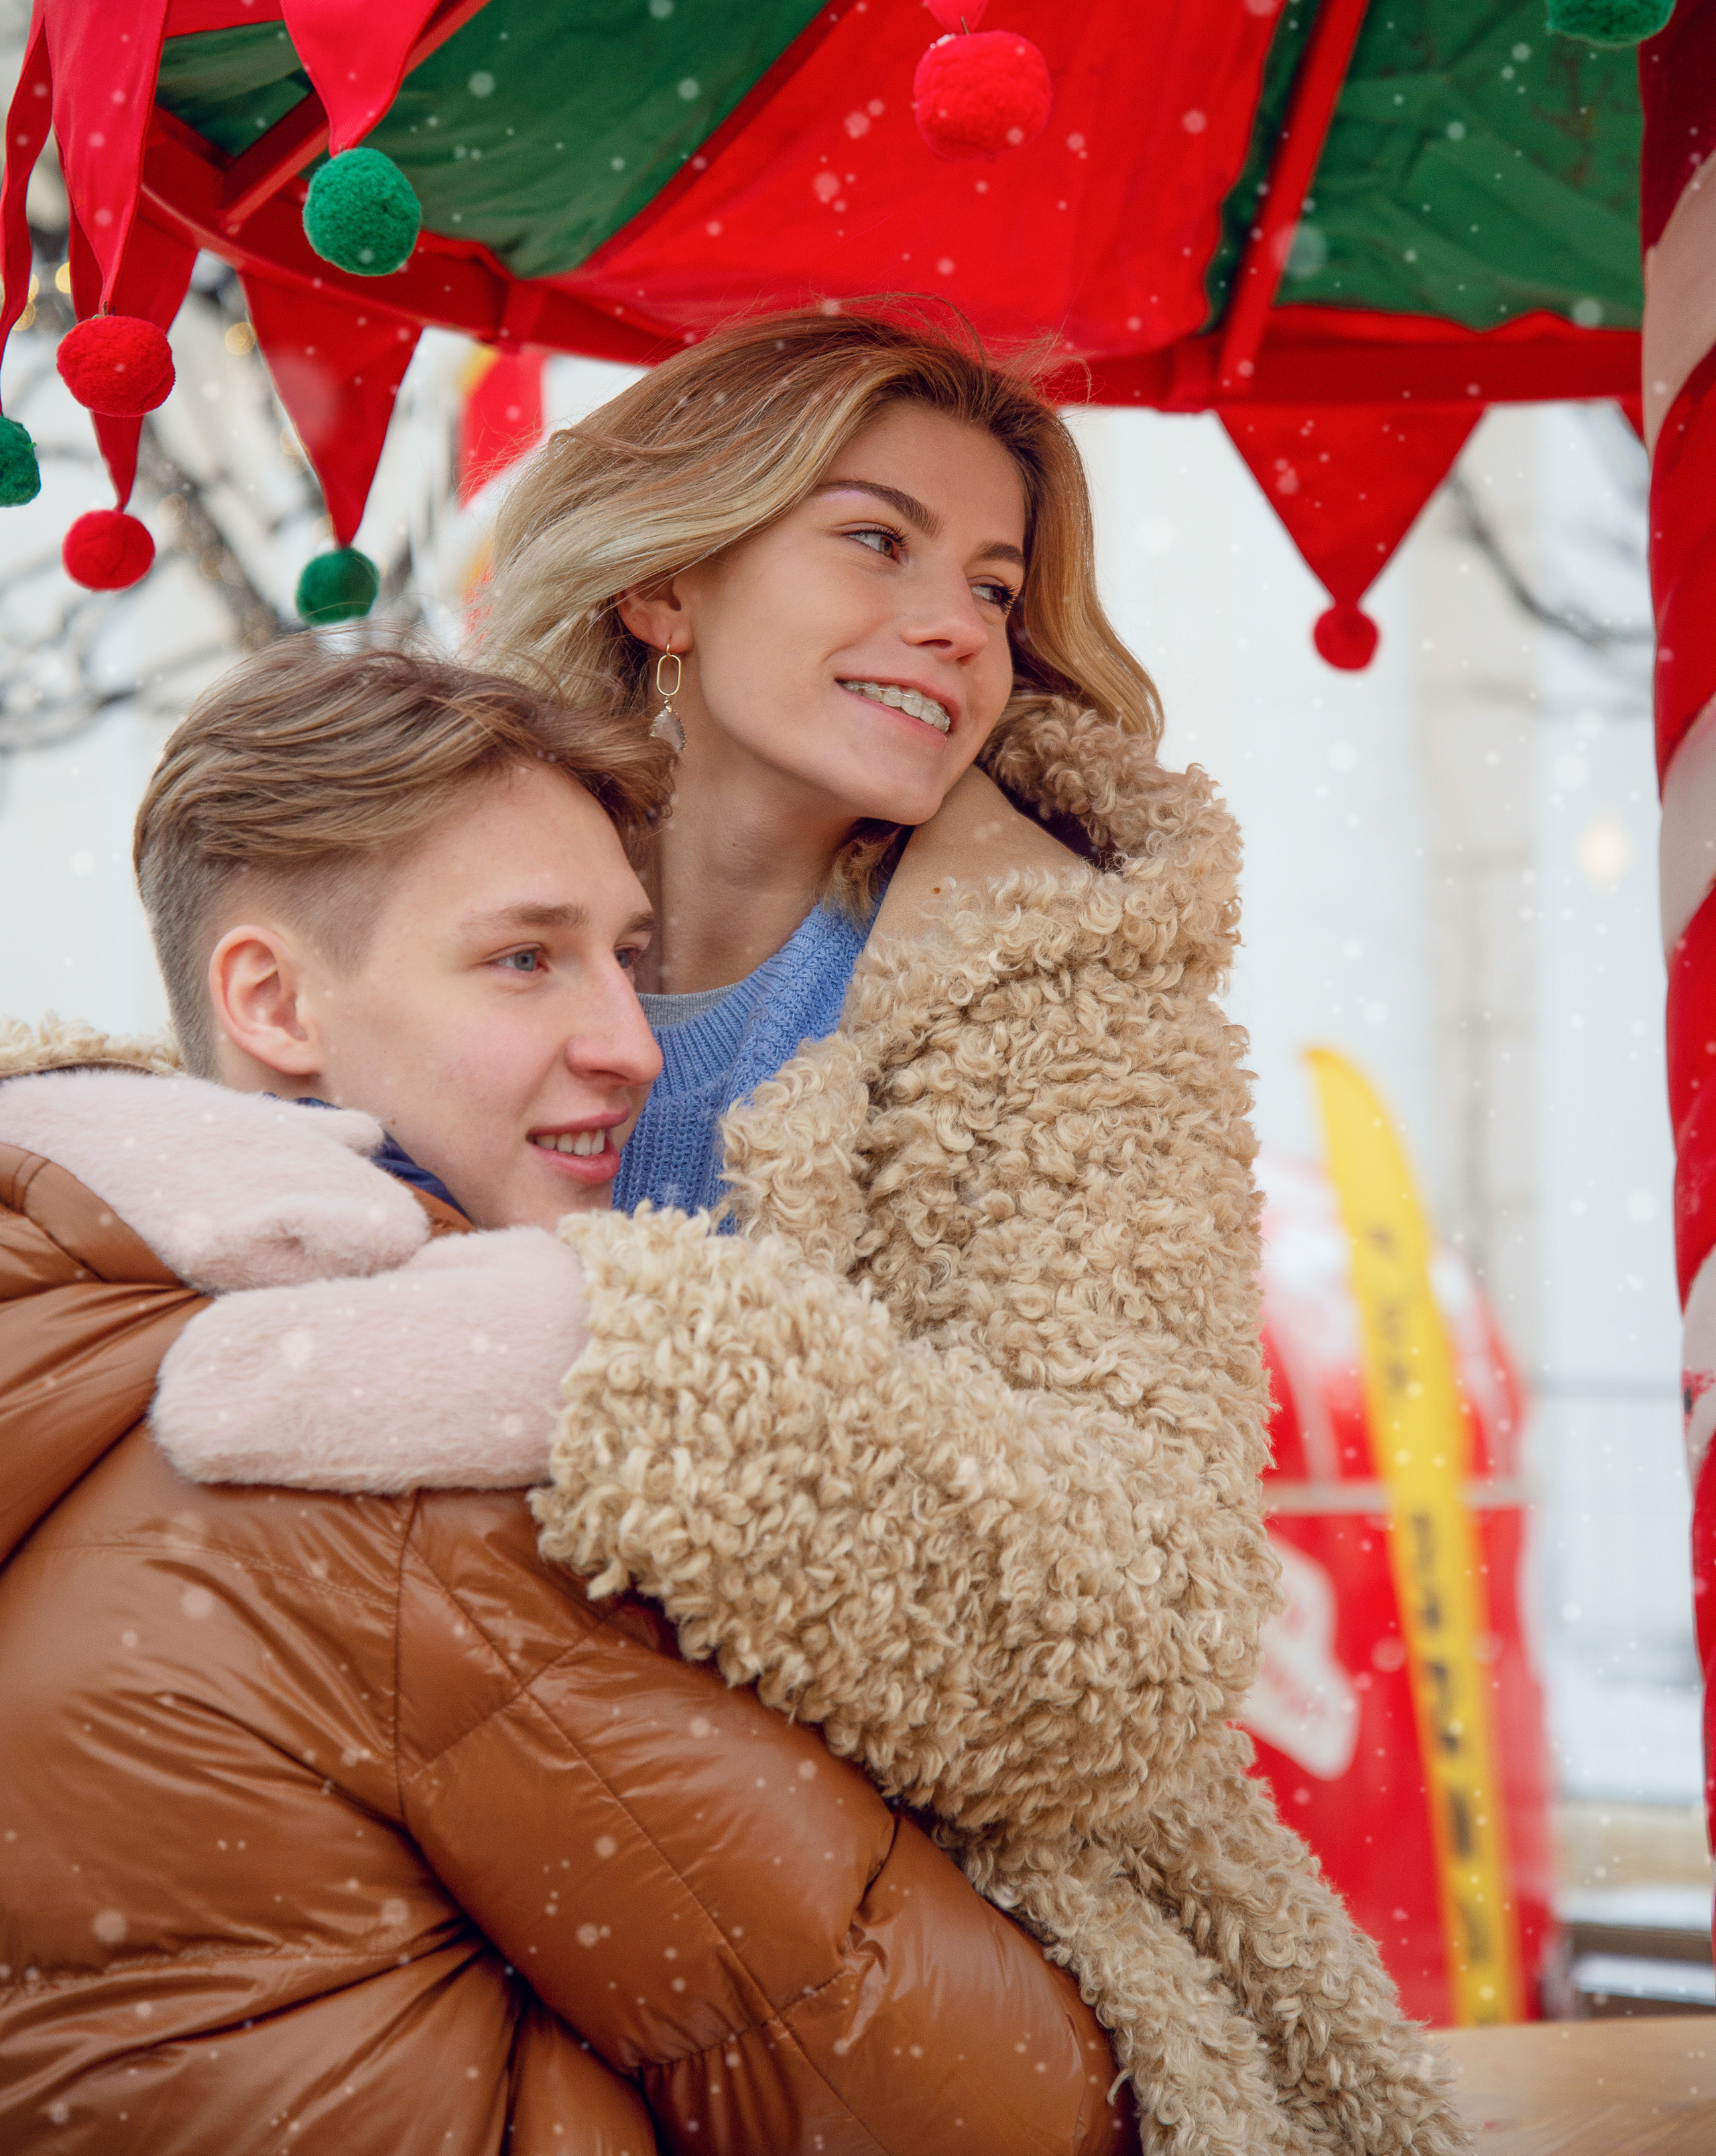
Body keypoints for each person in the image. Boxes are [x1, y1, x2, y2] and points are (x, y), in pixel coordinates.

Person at [159, 311, 1471, 2156]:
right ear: (667, 586)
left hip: (939, 1934)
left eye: (995, 586)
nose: (959, 626)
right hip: (466, 1877)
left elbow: (1140, 1620)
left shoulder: (1065, 1013)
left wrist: (616, 1364)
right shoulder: (442, 912)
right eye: (877, 541)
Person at [0, 639, 1134, 2156]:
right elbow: (983, 2110)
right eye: (526, 959)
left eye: (626, 957)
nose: (630, 1045)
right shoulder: (392, 1471)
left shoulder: (79, 1331)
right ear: (272, 1001)